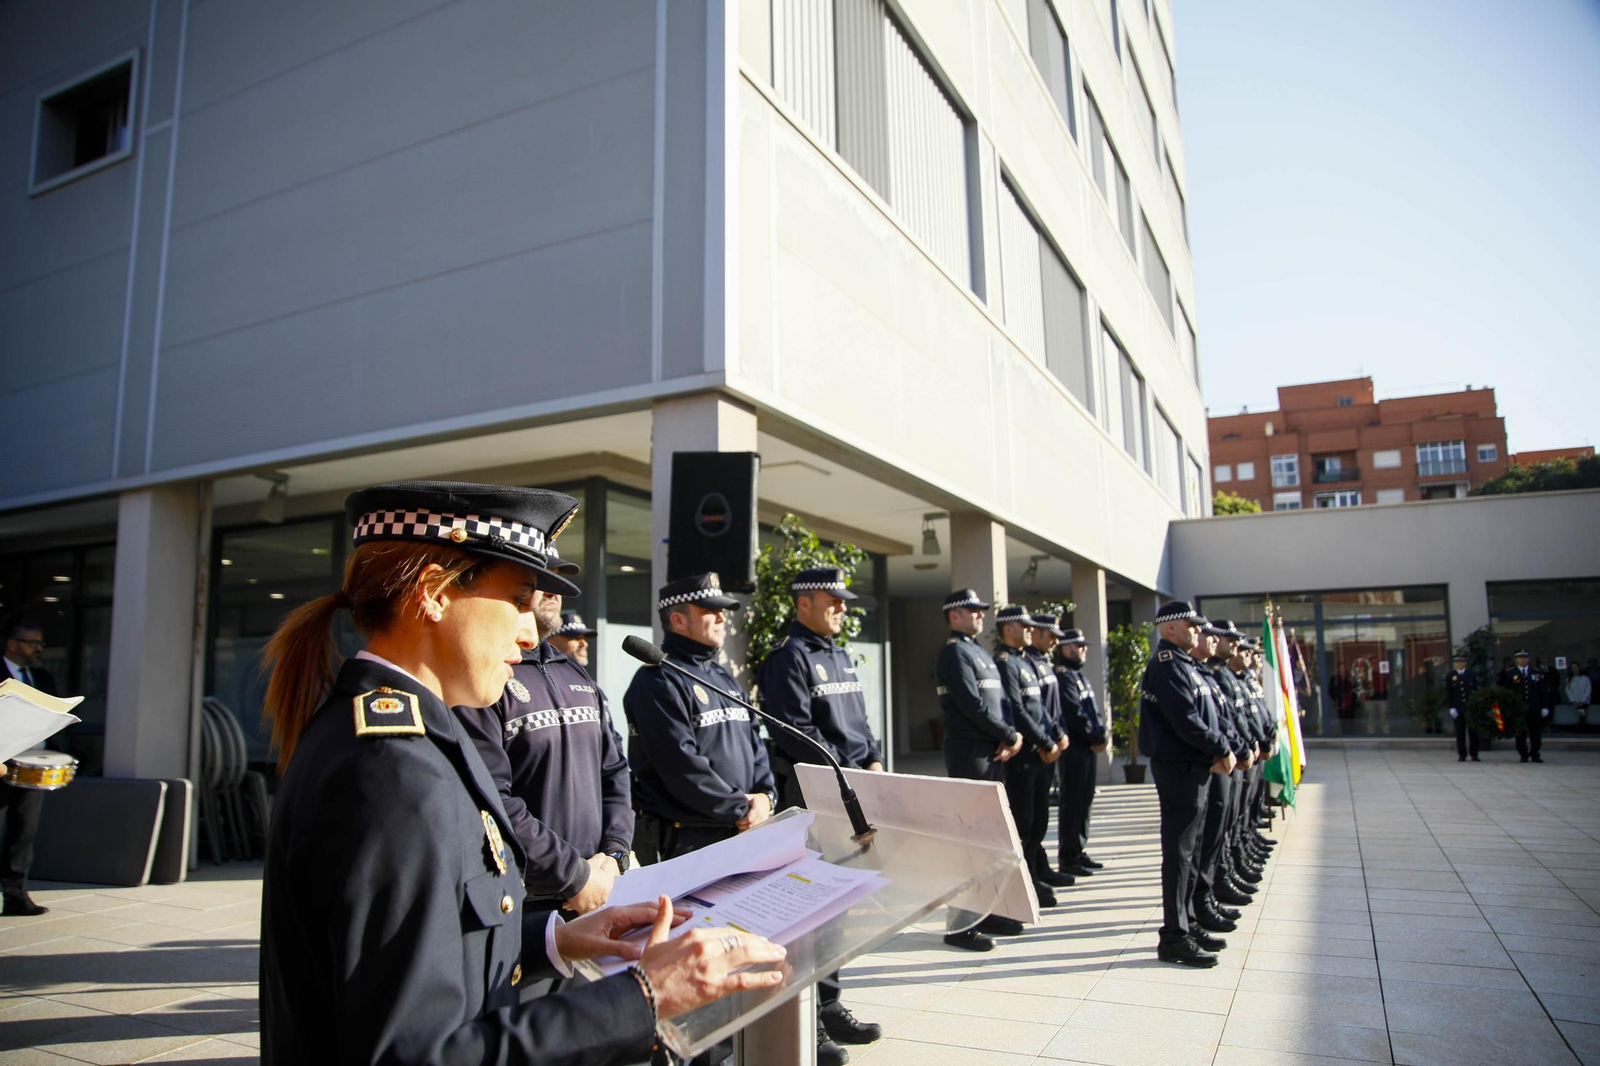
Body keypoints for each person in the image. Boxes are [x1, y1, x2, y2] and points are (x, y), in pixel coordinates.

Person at [257, 480, 786, 1065]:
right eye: (517, 600)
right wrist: (644, 997)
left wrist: (553, 940)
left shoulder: (403, 735)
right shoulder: (394, 773)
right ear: (432, 593)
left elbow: (437, 954)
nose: (531, 632)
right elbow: (417, 1053)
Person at [754, 566, 884, 1064]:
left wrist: (873, 759)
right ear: (804, 603)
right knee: (809, 912)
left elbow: (860, 721)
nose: (842, 608)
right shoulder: (787, 658)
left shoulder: (838, 655)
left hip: (850, 794)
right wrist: (851, 771)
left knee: (837, 909)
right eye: (833, 600)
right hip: (815, 798)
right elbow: (796, 732)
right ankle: (807, 1021)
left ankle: (830, 1004)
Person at [456, 589, 633, 918]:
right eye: (539, 581)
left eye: (558, 582)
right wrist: (572, 874)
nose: (554, 591)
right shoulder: (487, 677)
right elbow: (492, 798)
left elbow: (613, 771)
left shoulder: (574, 671)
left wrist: (616, 853)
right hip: (522, 904)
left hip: (599, 888)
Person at [625, 573, 776, 863]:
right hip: (689, 841)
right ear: (678, 620)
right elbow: (681, 766)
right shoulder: (658, 681)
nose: (721, 618)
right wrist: (741, 808)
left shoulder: (721, 675)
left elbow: (754, 741)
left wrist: (765, 795)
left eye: (723, 611)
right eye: (710, 611)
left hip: (742, 828)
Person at [1139, 601, 1233, 968]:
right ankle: (1174, 937)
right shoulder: (1166, 665)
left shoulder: (1185, 664)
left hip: (1194, 766)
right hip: (1178, 767)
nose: (1197, 630)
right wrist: (1222, 747)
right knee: (1179, 853)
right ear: (1169, 628)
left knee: (1191, 851)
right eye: (1190, 625)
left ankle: (1188, 923)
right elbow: (1186, 720)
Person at [934, 589, 1023, 952]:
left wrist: (1009, 735)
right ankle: (959, 925)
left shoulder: (979, 652)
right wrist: (1008, 735)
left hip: (992, 750)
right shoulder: (953, 653)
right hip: (970, 751)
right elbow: (970, 704)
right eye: (973, 610)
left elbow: (1000, 703)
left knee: (989, 838)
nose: (981, 615)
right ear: (955, 615)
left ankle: (986, 912)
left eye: (982, 610)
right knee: (969, 840)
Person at [992, 606, 1062, 906]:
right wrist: (1045, 742)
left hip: (1039, 753)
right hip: (1024, 758)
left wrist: (1052, 739)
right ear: (1009, 629)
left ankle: (1033, 875)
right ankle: (1025, 883)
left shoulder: (1025, 661)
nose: (1031, 631)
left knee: (1038, 822)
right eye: (1025, 626)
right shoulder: (1005, 662)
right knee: (1024, 822)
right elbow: (1016, 710)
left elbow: (1040, 709)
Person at [1, 618, 54, 916]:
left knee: (23, 833)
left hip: (31, 766)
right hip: (0, 762)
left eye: (40, 643)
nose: (38, 648)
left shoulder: (42, 678)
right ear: (12, 644)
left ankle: (15, 896)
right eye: (31, 643)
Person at [1051, 625, 1107, 879]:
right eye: (1079, 646)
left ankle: (1078, 849)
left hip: (1088, 747)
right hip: (1074, 748)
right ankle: (1068, 856)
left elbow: (1092, 710)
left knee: (1085, 800)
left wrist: (1102, 734)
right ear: (1066, 648)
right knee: (1073, 802)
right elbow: (1074, 713)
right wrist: (1095, 736)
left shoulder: (1078, 675)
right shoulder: (1063, 676)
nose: (1084, 650)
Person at [1503, 650, 1549, 763]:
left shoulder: (1536, 672)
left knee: (1535, 733)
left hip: (1534, 707)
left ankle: (1535, 754)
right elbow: (1506, 691)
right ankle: (1523, 754)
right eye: (1520, 658)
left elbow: (1542, 691)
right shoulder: (1510, 673)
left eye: (1525, 657)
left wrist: (1544, 706)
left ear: (1528, 659)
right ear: (1516, 659)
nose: (1523, 660)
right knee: (1520, 733)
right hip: (1519, 708)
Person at [1446, 652, 1480, 762]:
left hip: (1470, 706)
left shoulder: (1471, 674)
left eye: (1462, 661)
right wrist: (1451, 707)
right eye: (1457, 662)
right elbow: (1449, 692)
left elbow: (1476, 690)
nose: (1459, 664)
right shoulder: (1451, 675)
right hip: (1458, 707)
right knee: (1460, 732)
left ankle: (1474, 754)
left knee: (1473, 731)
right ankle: (1462, 754)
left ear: (1466, 663)